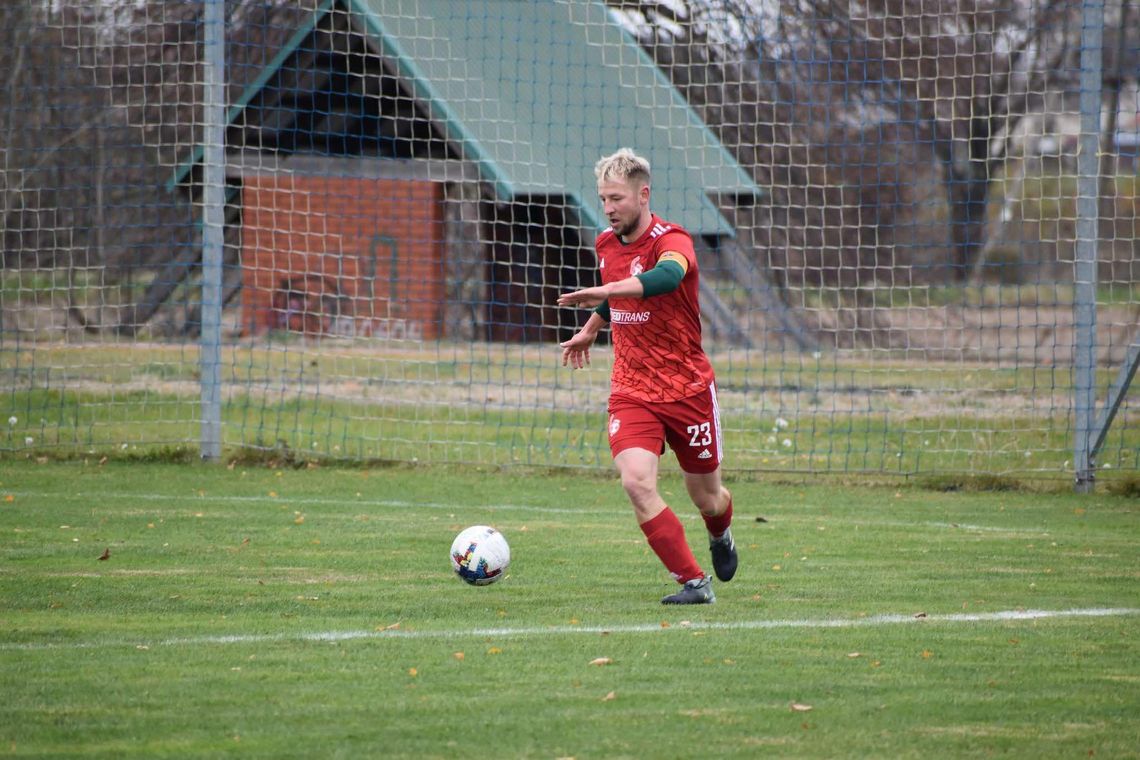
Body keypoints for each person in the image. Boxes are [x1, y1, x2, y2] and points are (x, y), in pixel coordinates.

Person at [557, 147, 737, 605]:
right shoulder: (604, 245)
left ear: (643, 194)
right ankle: (694, 583)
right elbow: (619, 300)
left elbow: (664, 279)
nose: (608, 208)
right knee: (636, 481)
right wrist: (591, 328)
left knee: (708, 497)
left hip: (687, 388)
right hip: (633, 388)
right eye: (603, 199)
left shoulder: (671, 240)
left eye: (616, 198)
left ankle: (720, 535)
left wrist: (607, 291)